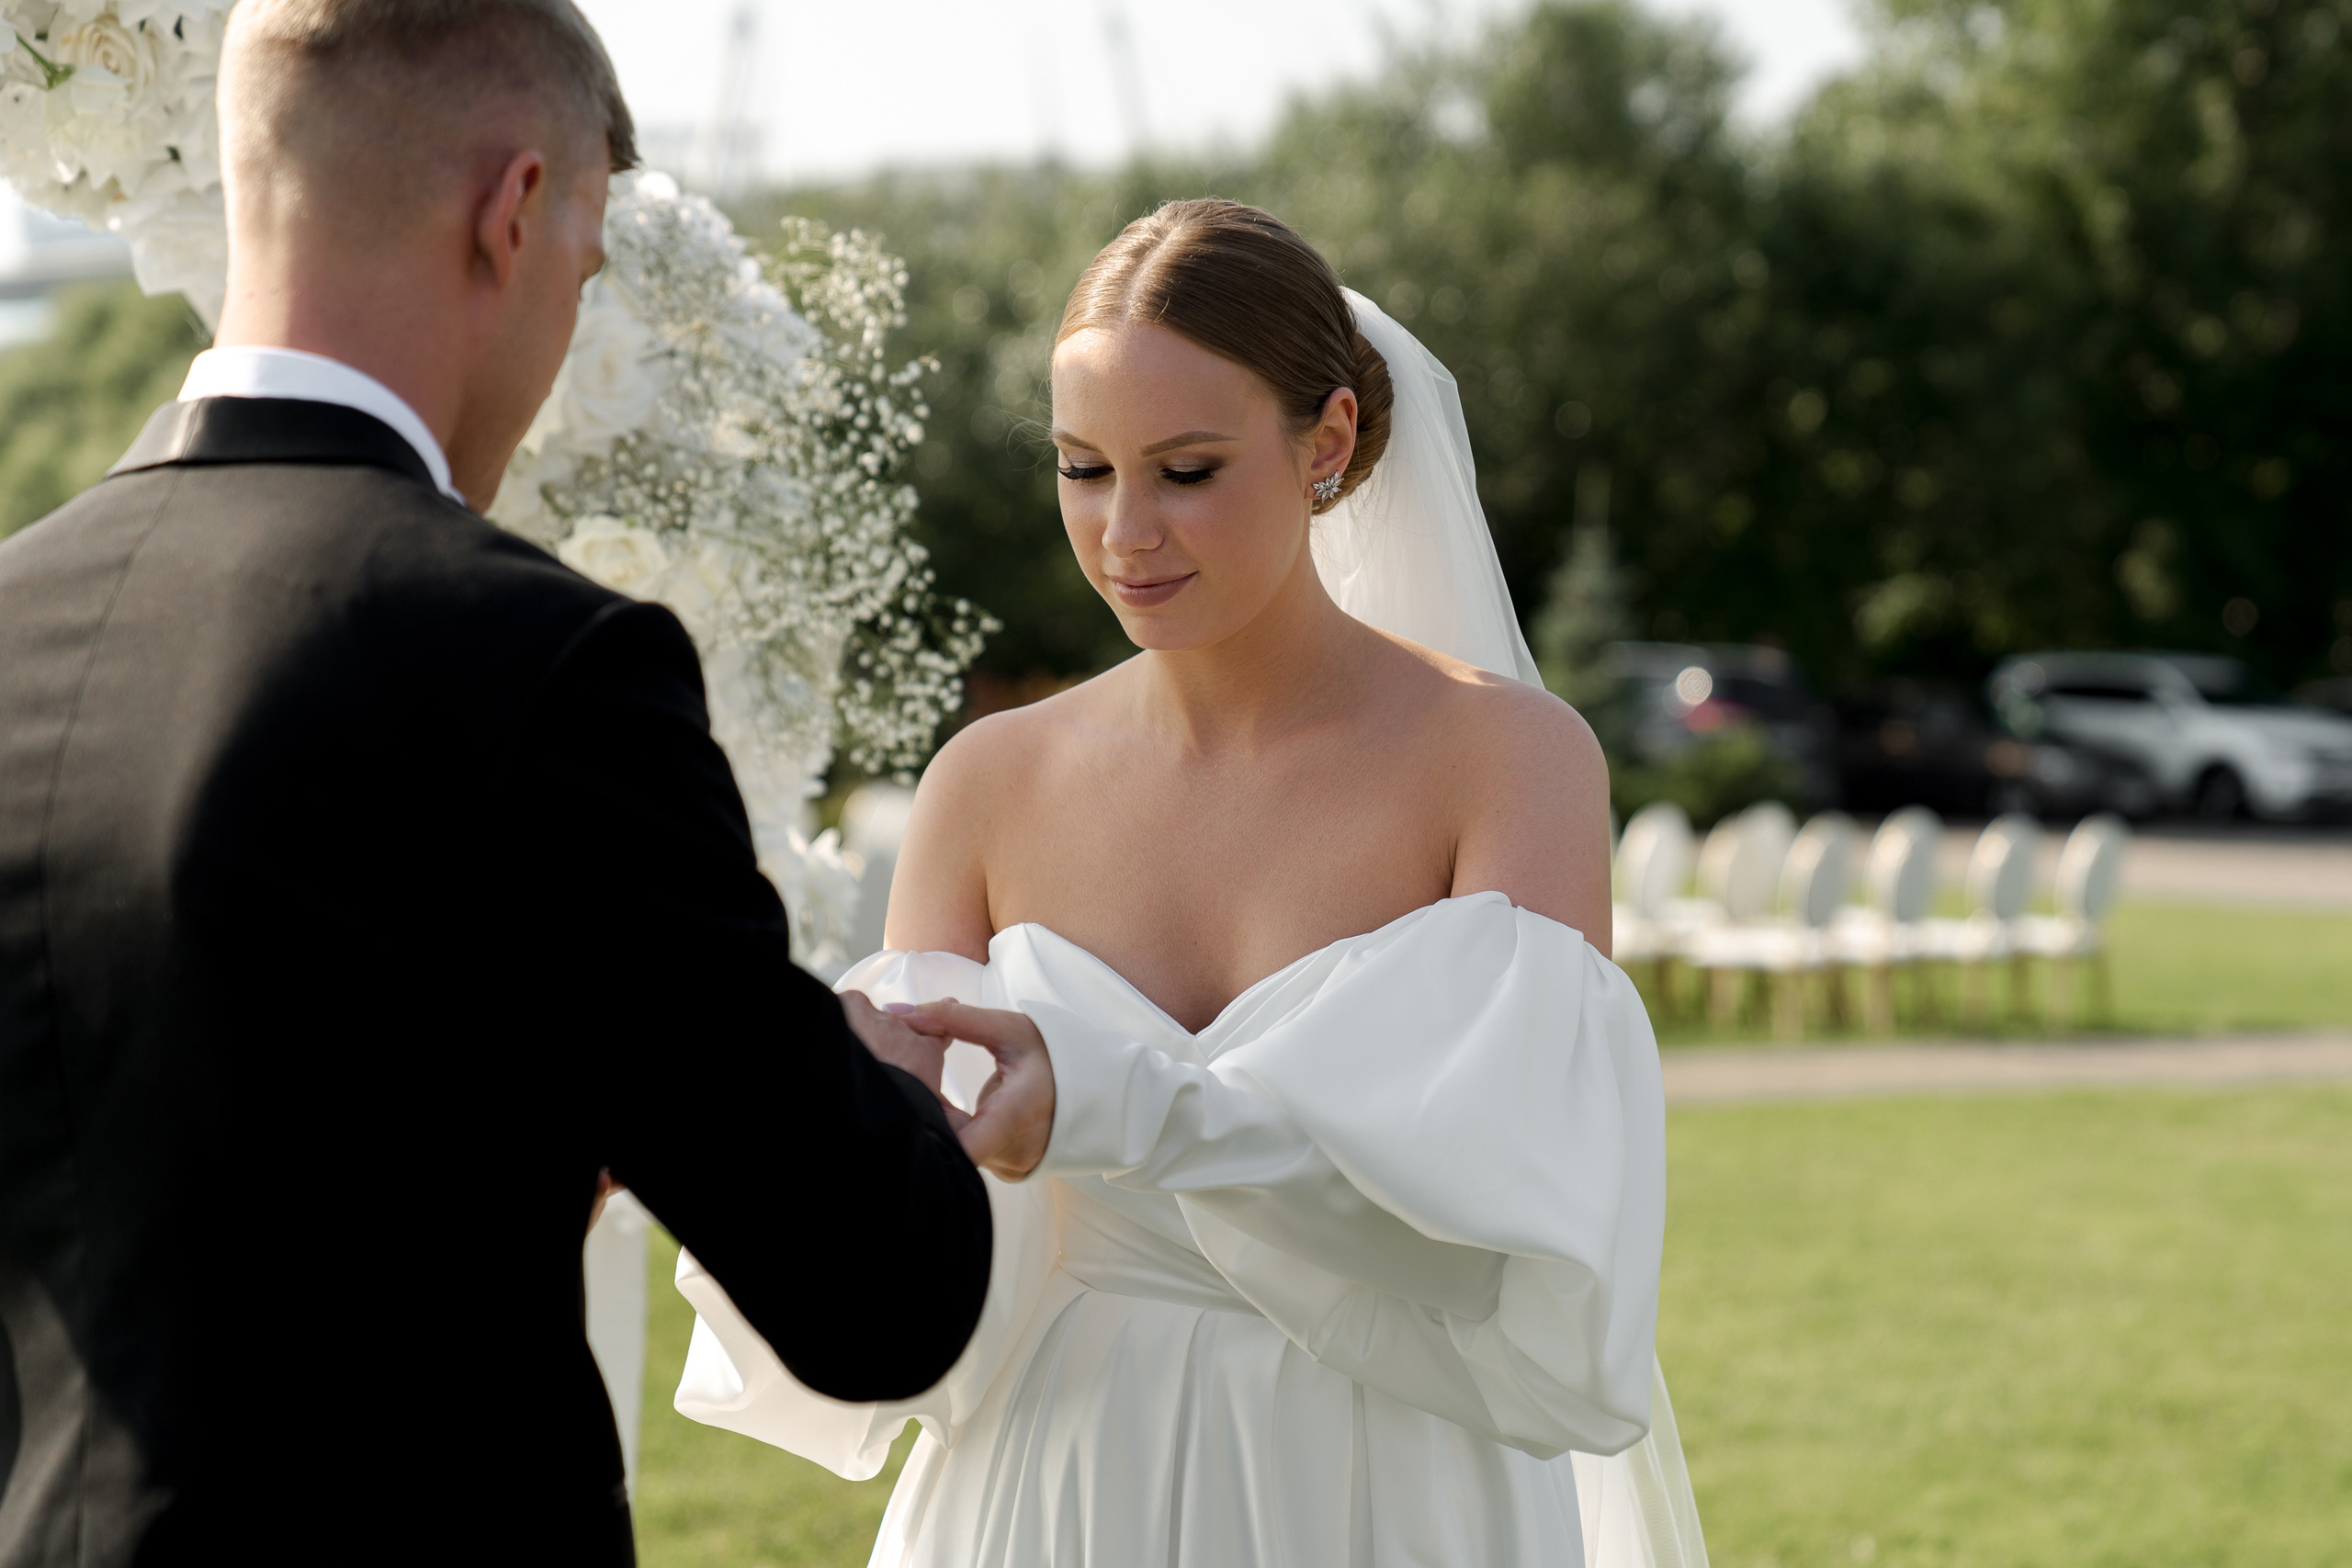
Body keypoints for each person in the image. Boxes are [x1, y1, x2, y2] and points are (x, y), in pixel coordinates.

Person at [0, 4, 1031, 1562]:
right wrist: (861, 1072)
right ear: (517, 212)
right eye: (588, 257)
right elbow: (875, 1291)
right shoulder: (540, 659)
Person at [675, 200, 1707, 1567]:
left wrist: (1116, 1107)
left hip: (1382, 1482)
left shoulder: (1510, 762)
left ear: (1326, 441)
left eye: (1187, 469)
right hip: (1051, 1477)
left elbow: (1494, 1241)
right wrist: (790, 1106)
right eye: (1084, 469)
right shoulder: (987, 783)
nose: (1125, 533)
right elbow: (922, 1261)